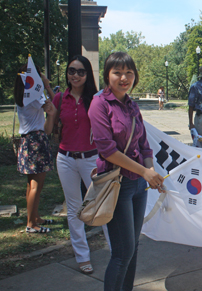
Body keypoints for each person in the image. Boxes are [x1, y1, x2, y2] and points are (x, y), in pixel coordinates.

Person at [88, 52, 166, 290]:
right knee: (122, 253)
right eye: (117, 72)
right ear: (107, 75)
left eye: (129, 72)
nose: (124, 77)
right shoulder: (99, 104)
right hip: (116, 185)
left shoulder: (132, 105)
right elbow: (108, 151)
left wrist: (150, 172)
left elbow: (144, 145)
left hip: (139, 187)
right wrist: (145, 172)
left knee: (132, 250)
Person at [52, 55, 109, 274]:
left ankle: (117, 252)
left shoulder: (95, 99)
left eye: (80, 71)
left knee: (101, 206)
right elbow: (50, 129)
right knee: (74, 208)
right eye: (71, 71)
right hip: (65, 159)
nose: (75, 75)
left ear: (87, 75)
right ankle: (82, 256)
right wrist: (50, 113)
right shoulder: (59, 98)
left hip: (91, 159)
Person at [14, 64, 56, 234]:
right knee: (36, 186)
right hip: (36, 142)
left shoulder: (23, 96)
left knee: (31, 185)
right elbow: (54, 102)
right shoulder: (34, 97)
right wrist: (46, 85)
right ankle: (31, 223)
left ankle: (34, 217)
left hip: (27, 142)